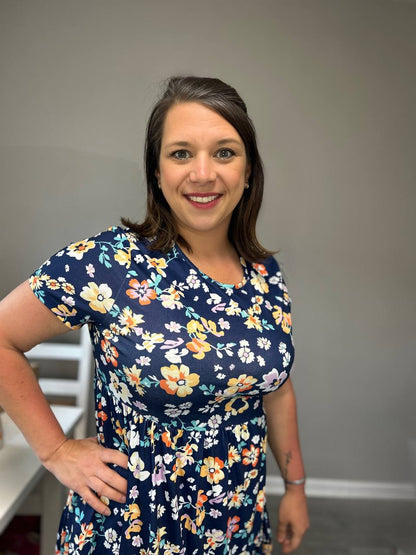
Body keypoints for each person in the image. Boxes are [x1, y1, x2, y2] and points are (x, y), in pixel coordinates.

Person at [0, 76, 309, 554]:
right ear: (157, 172)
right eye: (181, 153)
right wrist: (56, 450)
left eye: (224, 152)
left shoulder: (266, 274)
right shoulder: (106, 263)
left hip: (235, 526)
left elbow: (277, 389)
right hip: (131, 528)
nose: (203, 174)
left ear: (249, 171)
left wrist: (294, 488)